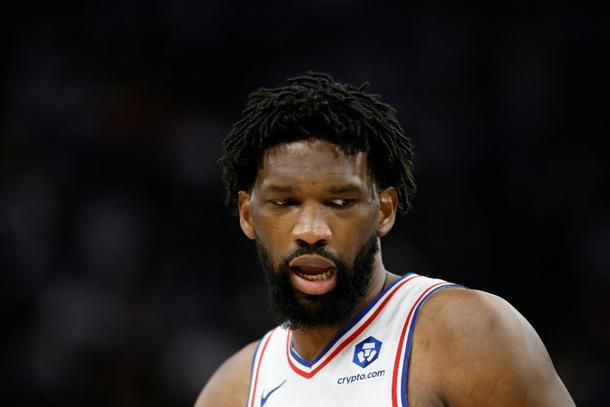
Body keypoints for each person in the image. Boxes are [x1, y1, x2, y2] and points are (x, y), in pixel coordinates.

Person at [195, 72, 575, 406]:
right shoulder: (233, 391)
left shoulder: (467, 334)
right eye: (284, 203)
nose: (311, 230)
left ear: (385, 210)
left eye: (340, 202)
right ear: (248, 215)